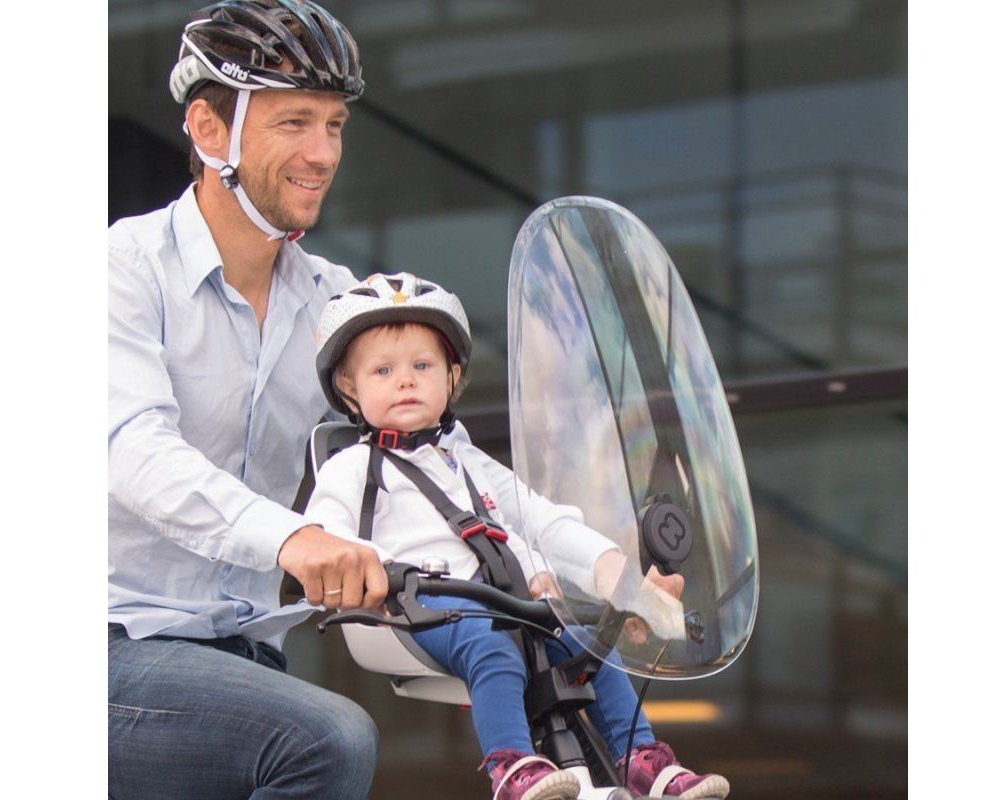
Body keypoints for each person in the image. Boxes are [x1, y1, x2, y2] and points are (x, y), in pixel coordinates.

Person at [305, 272, 732, 800]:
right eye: (383, 370)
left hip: (505, 604)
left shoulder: (467, 461)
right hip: (425, 606)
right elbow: (323, 536)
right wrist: (369, 566)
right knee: (492, 647)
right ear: (350, 389)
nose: (406, 381)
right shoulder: (352, 466)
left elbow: (537, 520)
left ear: (451, 377)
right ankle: (510, 767)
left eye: (422, 366)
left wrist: (612, 575)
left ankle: (639, 758)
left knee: (589, 642)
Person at [108, 3, 388, 798]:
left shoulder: (336, 303)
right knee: (325, 740)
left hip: (242, 657)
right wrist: (292, 537)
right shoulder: (121, 269)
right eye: (294, 122)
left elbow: (420, 456)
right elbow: (133, 449)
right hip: (108, 638)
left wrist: (581, 571)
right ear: (208, 129)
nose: (321, 153)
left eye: (334, 126)